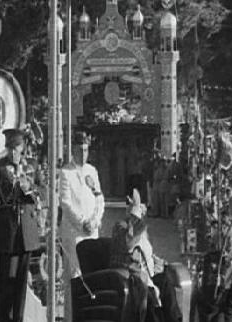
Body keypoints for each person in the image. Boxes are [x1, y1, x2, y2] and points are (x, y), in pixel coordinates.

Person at [0, 128, 40, 322]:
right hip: (7, 232)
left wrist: (29, 188)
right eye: (9, 148)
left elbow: (41, 192)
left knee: (20, 282)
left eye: (15, 148)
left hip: (26, 232)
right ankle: (5, 318)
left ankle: (18, 318)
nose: (12, 153)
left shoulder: (31, 166)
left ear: (22, 148)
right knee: (6, 282)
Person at [110, 189, 182, 322]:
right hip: (132, 276)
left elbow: (147, 253)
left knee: (166, 281)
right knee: (148, 294)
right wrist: (135, 215)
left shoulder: (142, 230)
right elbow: (128, 244)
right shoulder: (120, 227)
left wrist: (157, 261)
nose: (142, 214)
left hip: (149, 274)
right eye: (138, 211)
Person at [59, 130, 104, 322]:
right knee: (75, 276)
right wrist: (82, 222)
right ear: (73, 150)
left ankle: (89, 316)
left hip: (91, 231)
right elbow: (65, 203)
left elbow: (99, 198)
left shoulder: (92, 171)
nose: (83, 154)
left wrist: (95, 219)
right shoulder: (65, 173)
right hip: (74, 233)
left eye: (86, 150)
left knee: (92, 275)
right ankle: (72, 317)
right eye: (79, 150)